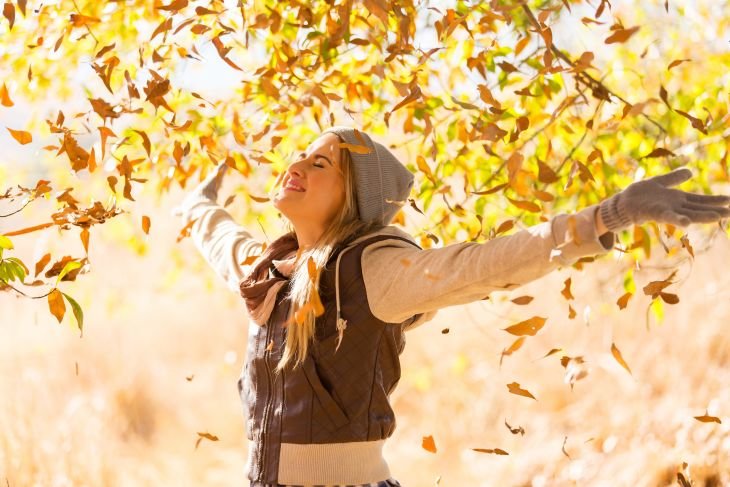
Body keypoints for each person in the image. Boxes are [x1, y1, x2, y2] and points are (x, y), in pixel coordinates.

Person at [175, 126, 730, 487]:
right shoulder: (269, 269)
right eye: (303, 153)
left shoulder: (374, 268)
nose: (298, 163)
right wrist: (198, 204)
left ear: (355, 198)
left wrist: (604, 217)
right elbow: (220, 238)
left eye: (322, 164)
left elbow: (482, 264)